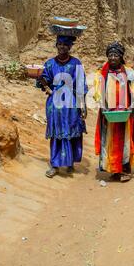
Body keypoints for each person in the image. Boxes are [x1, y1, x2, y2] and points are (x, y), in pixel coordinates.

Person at [37, 35, 88, 178]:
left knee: (71, 131)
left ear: (70, 47)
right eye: (59, 44)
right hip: (55, 104)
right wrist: (40, 79)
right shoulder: (49, 64)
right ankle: (55, 165)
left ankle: (69, 162)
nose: (62, 47)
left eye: (65, 44)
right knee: (56, 133)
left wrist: (83, 106)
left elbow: (80, 85)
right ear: (56, 45)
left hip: (71, 104)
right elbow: (44, 81)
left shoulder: (76, 63)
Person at [93, 41, 134, 182]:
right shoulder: (102, 73)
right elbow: (98, 93)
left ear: (121, 57)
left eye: (116, 55)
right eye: (110, 55)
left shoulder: (130, 73)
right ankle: (114, 169)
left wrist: (130, 108)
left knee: (125, 140)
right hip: (109, 113)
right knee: (110, 140)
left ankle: (125, 170)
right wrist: (104, 107)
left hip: (125, 112)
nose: (113, 58)